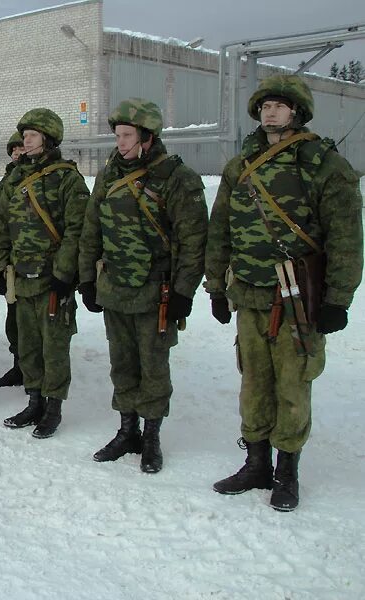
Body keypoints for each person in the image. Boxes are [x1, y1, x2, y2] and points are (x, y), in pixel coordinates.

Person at [205, 74, 362, 511]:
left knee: (293, 386)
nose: (269, 112)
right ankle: (256, 462)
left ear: (297, 112)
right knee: (253, 383)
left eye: (279, 105)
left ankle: (286, 471)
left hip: (296, 300)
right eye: (265, 105)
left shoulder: (321, 163)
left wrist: (338, 300)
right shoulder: (241, 165)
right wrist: (216, 286)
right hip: (250, 295)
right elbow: (220, 229)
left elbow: (346, 236)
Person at [78, 98, 208, 474]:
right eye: (117, 135)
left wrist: (185, 291)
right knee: (122, 362)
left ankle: (151, 436)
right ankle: (126, 430)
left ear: (147, 137)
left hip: (157, 292)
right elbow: (92, 229)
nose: (120, 142)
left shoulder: (177, 178)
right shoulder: (108, 174)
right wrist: (87, 278)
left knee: (153, 366)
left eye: (127, 135)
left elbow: (193, 240)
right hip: (115, 287)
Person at [0, 108, 90, 439]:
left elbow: (78, 231)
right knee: (28, 345)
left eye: (31, 135)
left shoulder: (67, 179)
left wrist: (64, 275)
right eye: (24, 135)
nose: (24, 141)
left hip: (51, 280)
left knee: (54, 347)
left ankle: (54, 407)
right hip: (22, 278)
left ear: (47, 138)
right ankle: (34, 400)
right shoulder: (15, 180)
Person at [0, 131, 26, 388]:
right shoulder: (6, 183)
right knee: (14, 321)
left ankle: (39, 374)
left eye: (21, 147)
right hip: (12, 265)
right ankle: (19, 366)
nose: (17, 152)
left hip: (39, 266)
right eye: (13, 149)